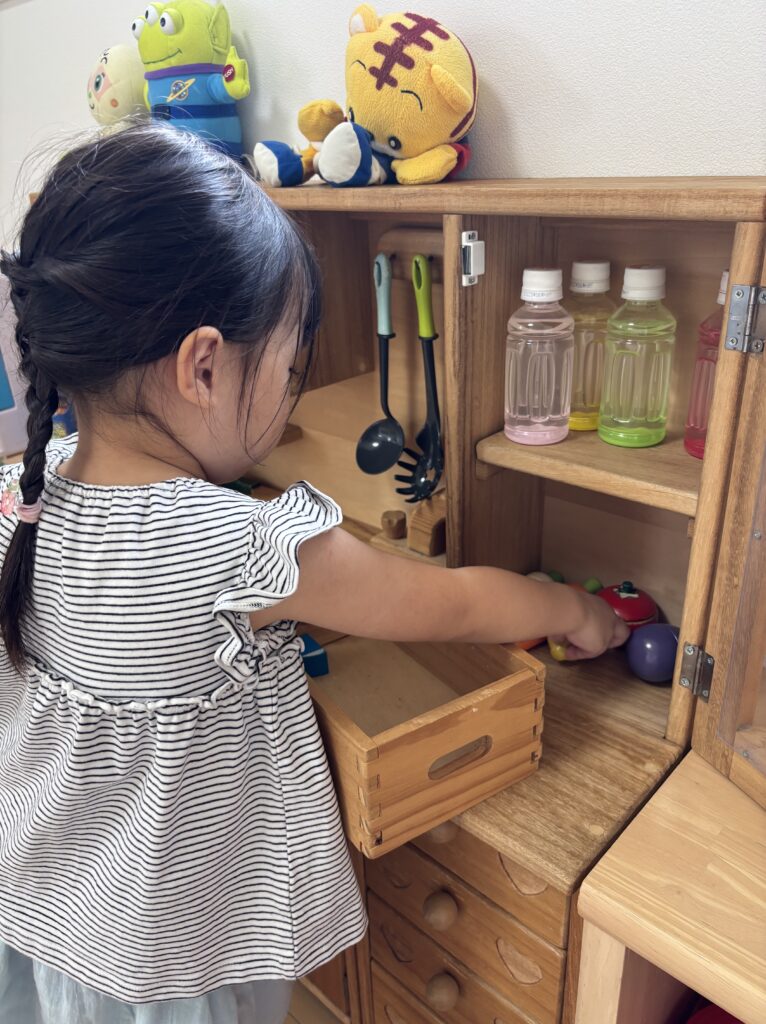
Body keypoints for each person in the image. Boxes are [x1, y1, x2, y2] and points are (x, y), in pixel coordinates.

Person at [0, 123, 627, 1024]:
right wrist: (573, 610)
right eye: (290, 369)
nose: (293, 390)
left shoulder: (25, 492)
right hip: (169, 963)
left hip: (44, 912)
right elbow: (449, 604)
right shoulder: (234, 544)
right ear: (203, 366)